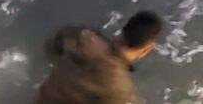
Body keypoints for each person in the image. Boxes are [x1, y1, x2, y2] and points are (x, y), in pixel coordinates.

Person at [33, 11, 164, 104]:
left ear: (125, 28)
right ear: (147, 48)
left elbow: (51, 49)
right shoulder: (119, 88)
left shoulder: (82, 37)